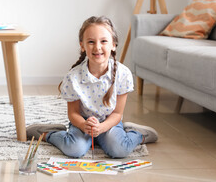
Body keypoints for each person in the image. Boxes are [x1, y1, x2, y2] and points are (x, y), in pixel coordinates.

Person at [26, 16, 158, 158]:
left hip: (109, 123)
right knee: (74, 149)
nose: (97, 47)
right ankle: (49, 134)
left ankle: (137, 135)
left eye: (104, 41)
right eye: (91, 42)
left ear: (113, 44)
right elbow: (73, 113)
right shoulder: (73, 77)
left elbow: (117, 114)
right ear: (82, 46)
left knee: (120, 150)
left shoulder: (123, 74)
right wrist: (84, 126)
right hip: (82, 123)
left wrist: (101, 128)